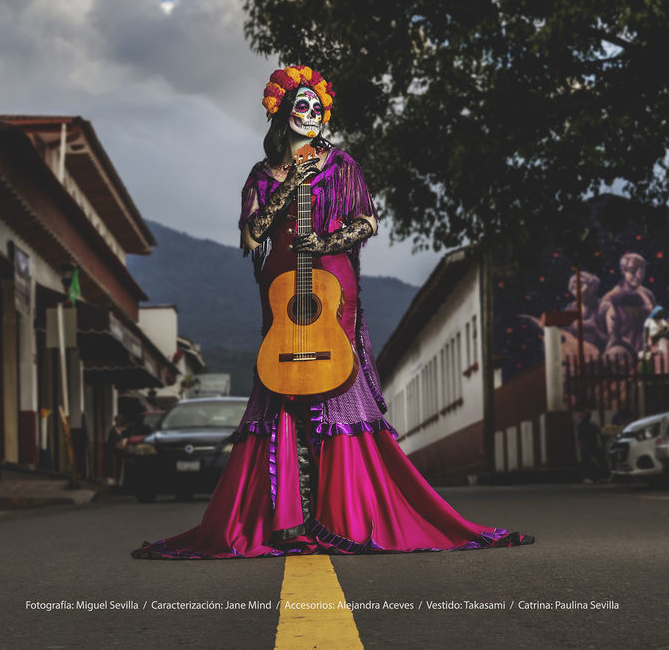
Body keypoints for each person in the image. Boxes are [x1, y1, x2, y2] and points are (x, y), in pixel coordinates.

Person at [131, 65, 533, 558]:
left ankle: (344, 510)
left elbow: (367, 222)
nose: (313, 115)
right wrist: (287, 186)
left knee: (335, 378)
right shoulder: (261, 176)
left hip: (330, 285)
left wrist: (324, 240)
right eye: (303, 106)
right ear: (282, 111)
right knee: (282, 381)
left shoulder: (342, 165)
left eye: (319, 108)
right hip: (281, 288)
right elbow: (251, 236)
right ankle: (280, 515)